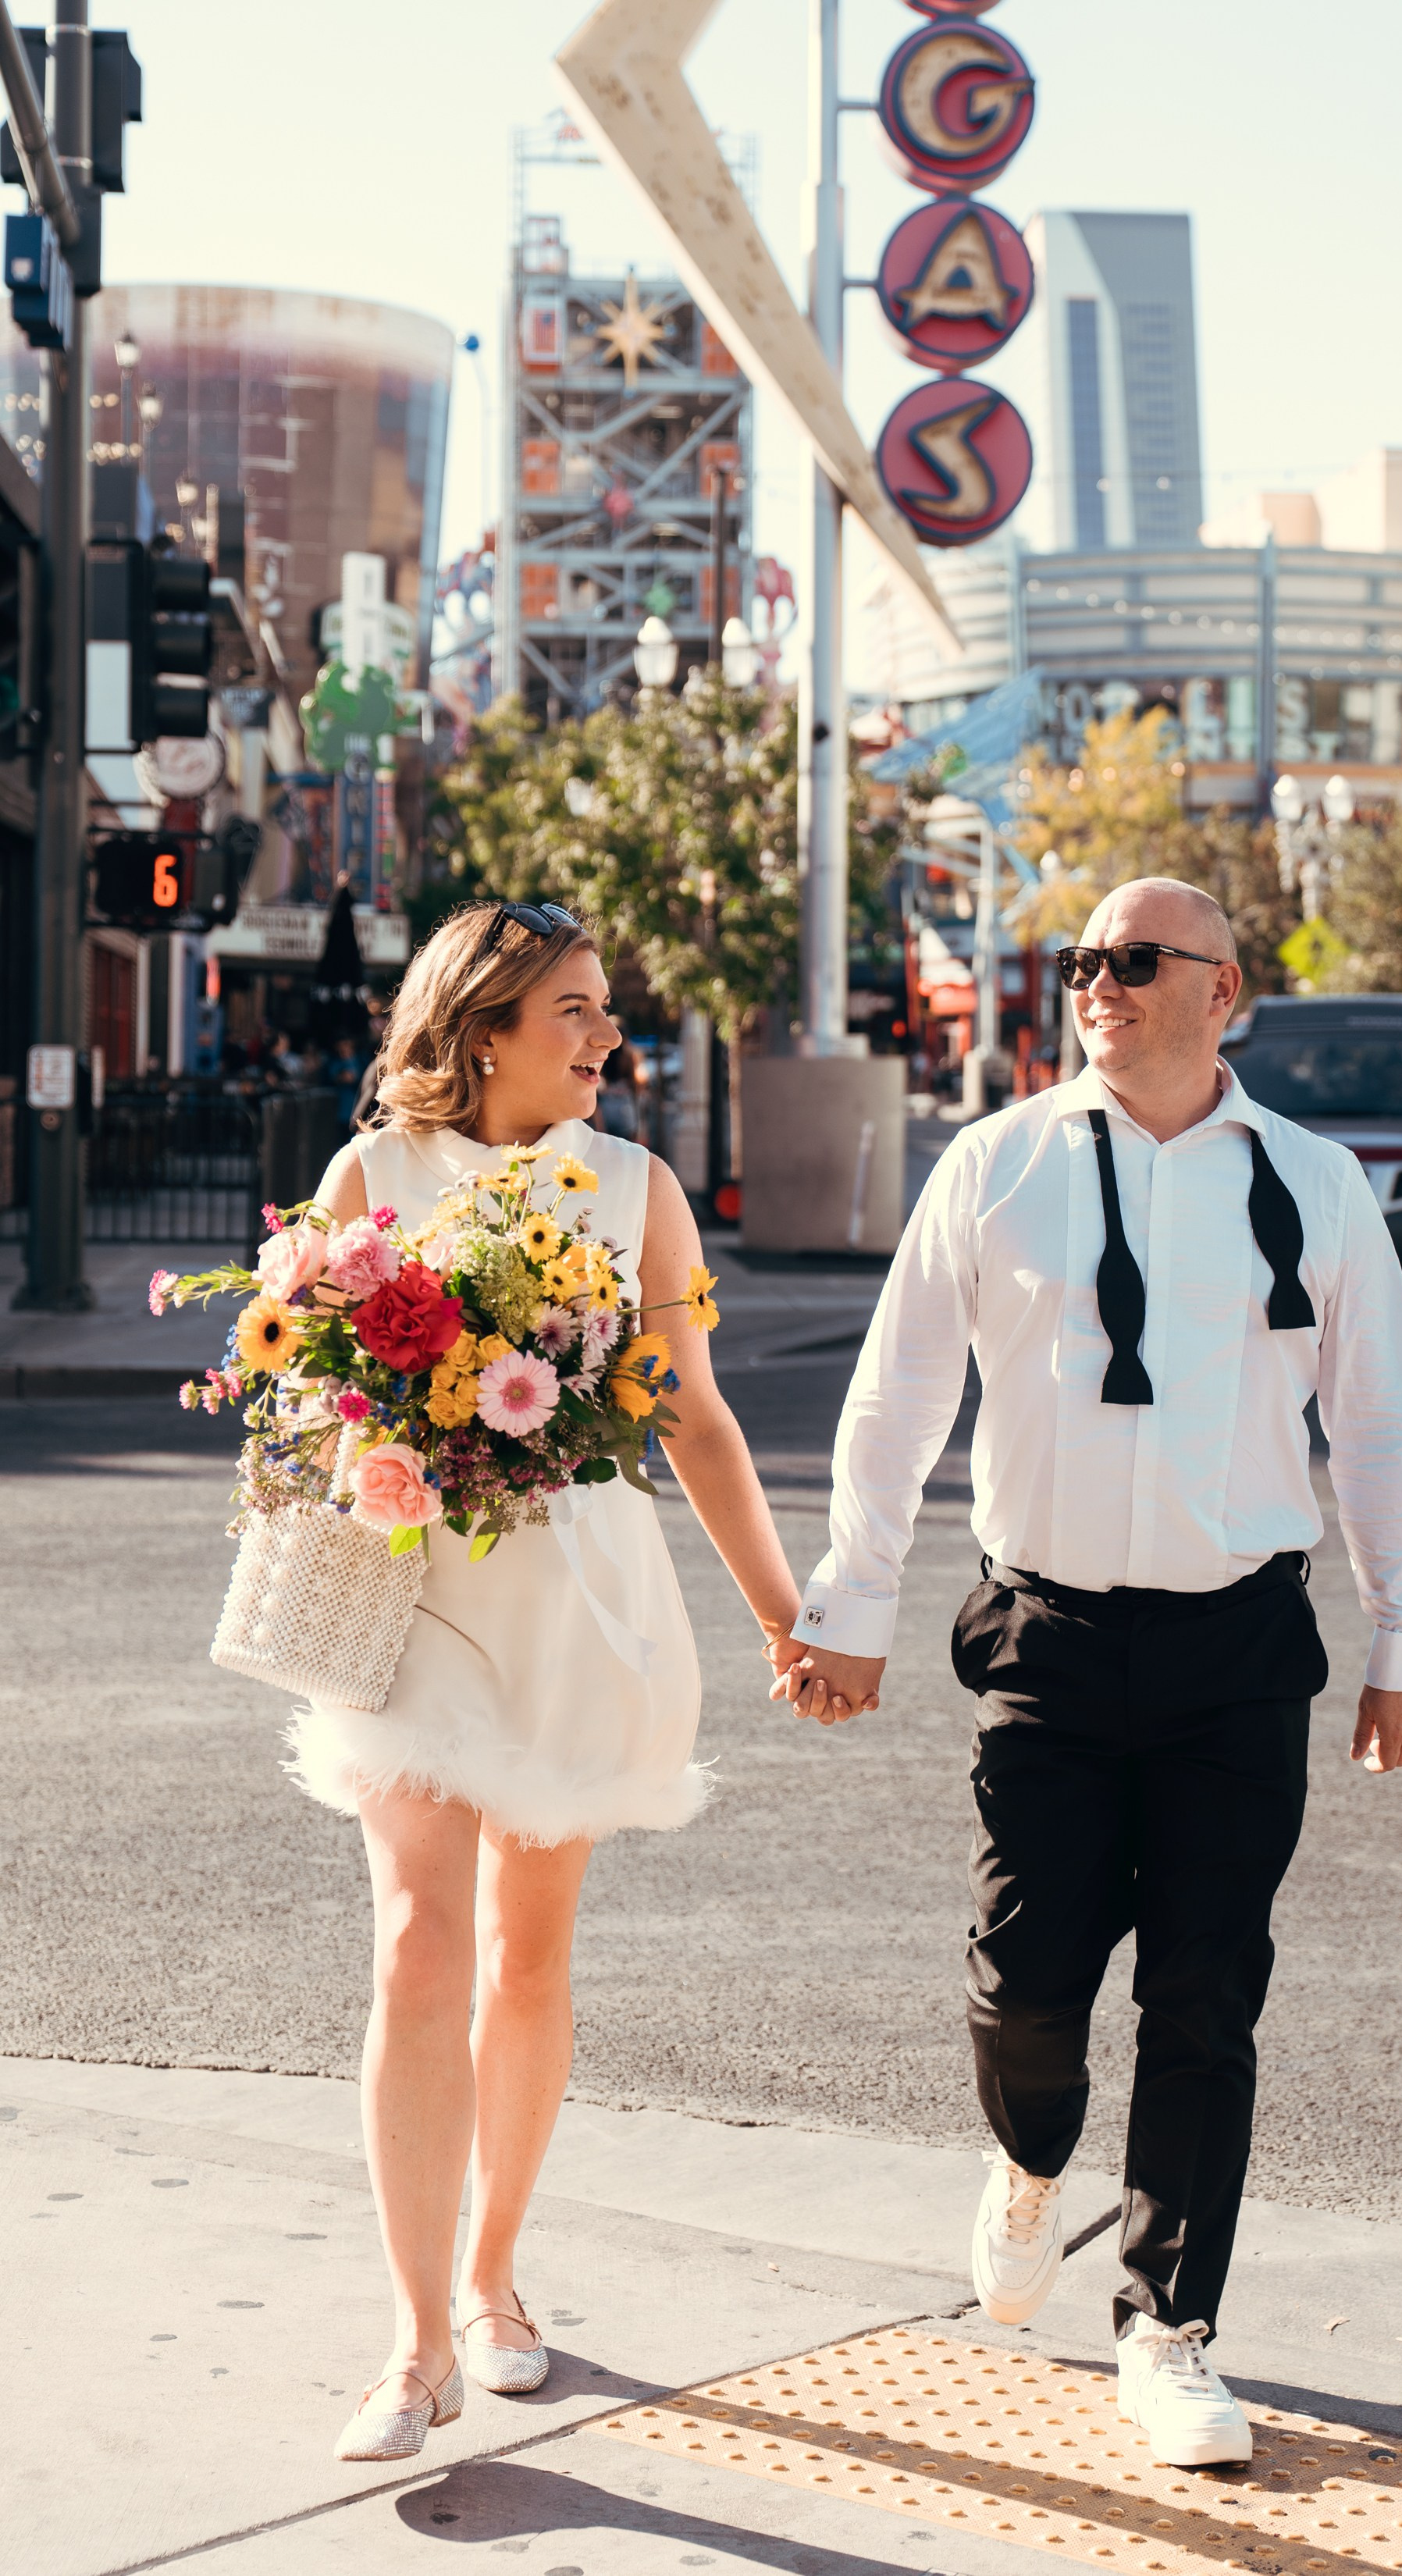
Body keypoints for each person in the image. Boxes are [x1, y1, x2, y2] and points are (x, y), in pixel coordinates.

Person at [777, 877, 1402, 2470]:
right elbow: (893, 1407)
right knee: (1022, 1986)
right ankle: (1025, 2164)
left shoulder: (1312, 1185)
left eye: (1134, 961)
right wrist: (851, 1604)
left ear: (1221, 992)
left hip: (1236, 1648)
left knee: (1205, 1996)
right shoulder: (996, 1167)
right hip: (1047, 1642)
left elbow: (1379, 1421)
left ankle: (1168, 2325)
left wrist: (1398, 1631)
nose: (1100, 984)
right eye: (1083, 961)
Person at [302, 900, 806, 2463]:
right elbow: (312, 1403)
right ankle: (410, 2342)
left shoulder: (637, 1191)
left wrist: (787, 1618)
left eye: (604, 1008)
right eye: (576, 1011)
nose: (607, 1036)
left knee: (526, 1959)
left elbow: (696, 1421)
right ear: (485, 1028)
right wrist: (387, 1417)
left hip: (580, 1606)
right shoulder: (367, 1177)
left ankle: (496, 2276)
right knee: (412, 1952)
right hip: (416, 1601)